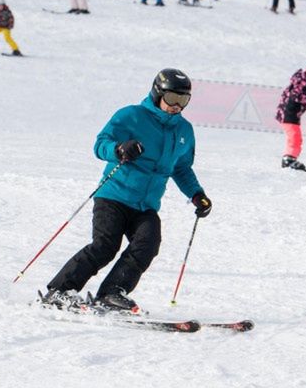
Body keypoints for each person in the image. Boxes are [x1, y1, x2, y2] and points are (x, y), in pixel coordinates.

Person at [41, 69, 212, 313]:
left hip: (146, 205)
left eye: (183, 100)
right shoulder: (131, 116)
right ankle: (59, 291)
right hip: (114, 196)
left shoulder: (184, 131)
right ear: (157, 93)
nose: (177, 106)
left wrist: (197, 194)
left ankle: (112, 292)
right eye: (172, 98)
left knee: (148, 244)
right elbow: (101, 145)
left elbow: (182, 168)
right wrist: (120, 150)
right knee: (105, 246)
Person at [275, 64, 306, 171]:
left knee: (295, 138)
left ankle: (291, 158)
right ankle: (289, 160)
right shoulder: (303, 84)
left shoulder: (303, 82)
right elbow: (300, 97)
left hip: (290, 115)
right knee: (294, 138)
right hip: (288, 114)